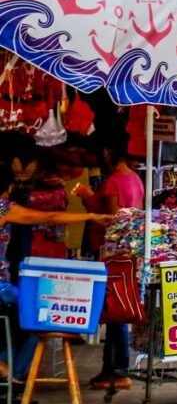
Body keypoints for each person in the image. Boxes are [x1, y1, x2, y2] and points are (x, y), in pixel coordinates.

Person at [0, 167, 114, 391]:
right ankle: (9, 371)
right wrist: (90, 216)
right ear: (10, 188)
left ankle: (7, 368)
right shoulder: (4, 208)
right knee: (40, 314)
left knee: (25, 315)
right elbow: (51, 217)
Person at [75, 146, 144, 391]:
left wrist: (86, 198)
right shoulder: (135, 179)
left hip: (112, 253)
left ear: (108, 153)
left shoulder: (114, 181)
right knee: (117, 309)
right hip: (127, 252)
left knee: (115, 311)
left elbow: (114, 220)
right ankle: (110, 368)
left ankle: (119, 370)